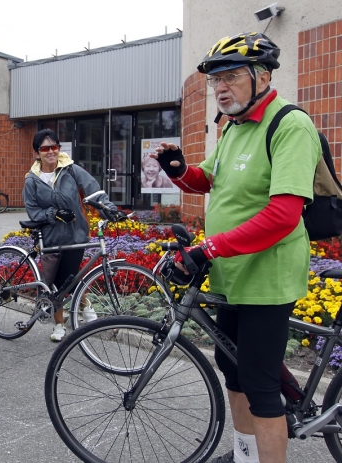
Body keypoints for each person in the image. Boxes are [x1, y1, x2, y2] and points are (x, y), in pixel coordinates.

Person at [151, 32, 321, 463]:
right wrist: (180, 171)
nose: (220, 88)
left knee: (261, 383)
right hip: (232, 272)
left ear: (261, 77)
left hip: (267, 277)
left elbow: (283, 216)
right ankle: (246, 454)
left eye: (230, 77)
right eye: (215, 81)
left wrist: (208, 249)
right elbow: (209, 178)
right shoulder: (234, 126)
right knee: (232, 368)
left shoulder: (290, 124)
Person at [23, 128, 120, 342]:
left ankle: (85, 308)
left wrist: (110, 209)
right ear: (37, 153)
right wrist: (54, 214)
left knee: (71, 277)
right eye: (45, 148)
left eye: (54, 147)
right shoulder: (32, 180)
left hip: (75, 235)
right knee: (56, 283)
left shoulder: (71, 170)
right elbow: (33, 210)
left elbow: (94, 191)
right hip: (50, 238)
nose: (51, 151)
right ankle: (59, 324)